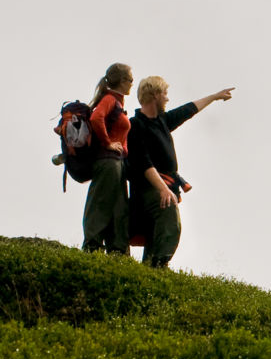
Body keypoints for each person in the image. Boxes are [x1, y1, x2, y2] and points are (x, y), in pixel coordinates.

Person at [126, 75, 233, 269]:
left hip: (165, 187)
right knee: (169, 216)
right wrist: (163, 189)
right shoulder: (136, 124)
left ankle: (150, 269)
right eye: (164, 93)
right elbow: (144, 163)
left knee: (156, 230)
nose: (167, 98)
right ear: (155, 94)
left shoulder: (162, 121)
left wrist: (214, 97)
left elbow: (188, 110)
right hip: (149, 189)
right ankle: (160, 263)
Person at [81, 63, 133, 253]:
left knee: (119, 206)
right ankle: (92, 246)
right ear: (122, 81)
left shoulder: (116, 101)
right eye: (130, 79)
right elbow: (96, 118)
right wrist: (108, 142)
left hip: (116, 163)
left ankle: (118, 250)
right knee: (101, 203)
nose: (132, 83)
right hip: (108, 161)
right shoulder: (110, 99)